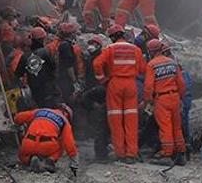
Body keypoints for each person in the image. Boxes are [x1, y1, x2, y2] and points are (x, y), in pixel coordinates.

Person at [93, 24, 147, 162]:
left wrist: (102, 80)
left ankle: (121, 153)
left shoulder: (109, 49)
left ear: (112, 37)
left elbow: (97, 64)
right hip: (131, 84)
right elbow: (142, 69)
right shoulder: (135, 49)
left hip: (115, 84)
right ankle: (131, 154)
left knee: (116, 120)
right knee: (131, 120)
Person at [143, 39, 187, 166]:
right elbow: (181, 83)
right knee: (177, 126)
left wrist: (148, 101)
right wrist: (180, 98)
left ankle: (167, 154)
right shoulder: (172, 63)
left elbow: (148, 87)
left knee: (165, 127)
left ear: (150, 51)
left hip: (161, 98)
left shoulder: (151, 65)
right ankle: (181, 153)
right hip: (175, 97)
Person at [14, 104, 79, 175]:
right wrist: (74, 163)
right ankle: (50, 160)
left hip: (28, 143)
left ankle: (29, 159)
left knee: (22, 155)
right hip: (47, 146)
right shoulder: (64, 121)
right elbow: (69, 143)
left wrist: (17, 122)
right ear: (68, 116)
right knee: (62, 143)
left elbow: (19, 117)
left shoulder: (40, 111)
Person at [14, 27, 62, 108]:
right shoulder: (47, 52)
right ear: (42, 39)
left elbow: (18, 75)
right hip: (51, 91)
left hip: (36, 94)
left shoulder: (25, 57)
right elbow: (55, 69)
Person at [79, 35, 110, 161]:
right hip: (91, 89)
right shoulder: (88, 58)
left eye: (94, 44)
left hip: (100, 89)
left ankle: (101, 151)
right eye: (90, 43)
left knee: (101, 120)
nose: (91, 46)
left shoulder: (102, 58)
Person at [45, 22, 85, 105]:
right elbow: (69, 66)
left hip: (57, 77)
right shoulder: (66, 46)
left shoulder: (53, 45)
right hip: (66, 79)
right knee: (70, 100)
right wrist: (75, 81)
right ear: (71, 34)